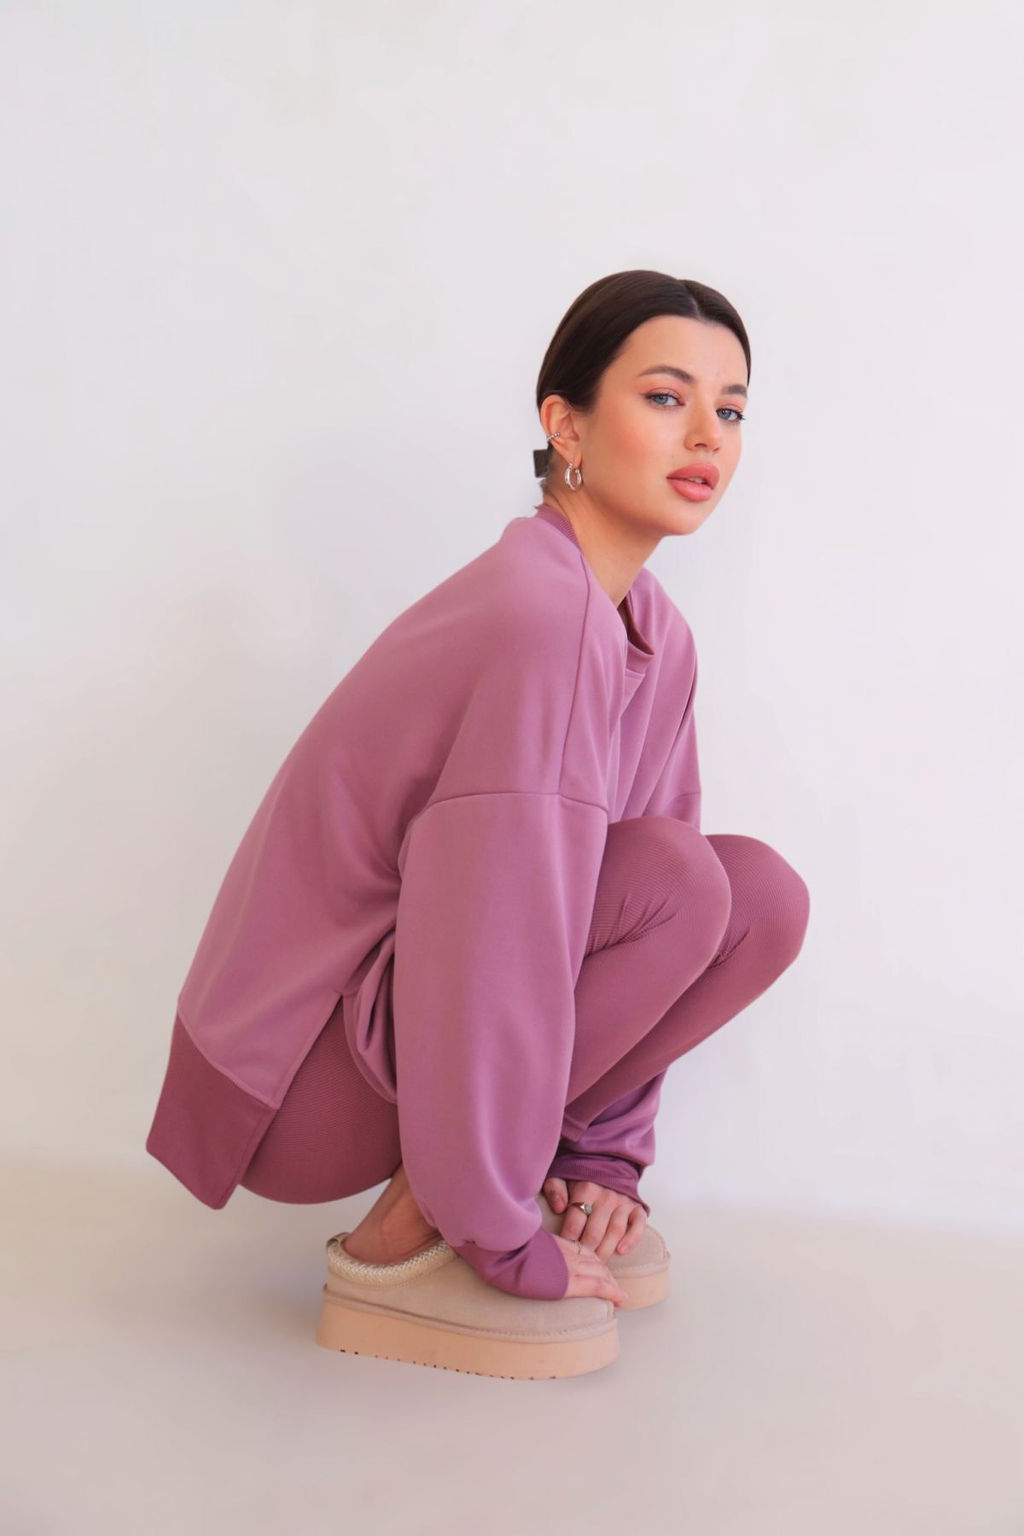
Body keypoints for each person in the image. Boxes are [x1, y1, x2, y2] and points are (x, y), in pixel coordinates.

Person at [146, 268, 810, 1325]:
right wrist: (496, 1230)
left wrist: (603, 1161)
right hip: (297, 1075)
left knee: (759, 895)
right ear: (566, 424)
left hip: (408, 1028)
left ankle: (522, 1167)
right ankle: (416, 1224)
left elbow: (625, 901)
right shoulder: (537, 616)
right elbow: (492, 936)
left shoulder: (654, 632)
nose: (706, 438)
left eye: (729, 411)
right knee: (678, 883)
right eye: (664, 397)